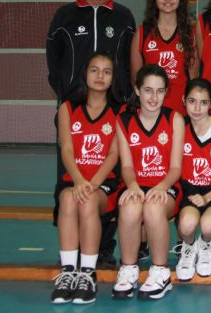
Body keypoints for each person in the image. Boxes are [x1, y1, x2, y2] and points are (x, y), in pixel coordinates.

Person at [47, 0, 135, 266]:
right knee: (69, 182)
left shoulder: (123, 17)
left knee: (110, 180)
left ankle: (104, 249)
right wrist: (68, 94)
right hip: (76, 113)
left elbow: (129, 62)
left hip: (113, 113)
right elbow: (53, 63)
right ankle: (71, 252)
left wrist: (124, 98)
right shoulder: (64, 16)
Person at [50, 52, 121, 304]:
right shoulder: (68, 108)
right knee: (69, 200)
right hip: (73, 178)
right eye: (94, 70)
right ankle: (69, 272)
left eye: (106, 71)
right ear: (85, 73)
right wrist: (79, 180)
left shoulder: (119, 110)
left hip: (104, 183)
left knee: (88, 201)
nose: (100, 76)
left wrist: (92, 184)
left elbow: (114, 153)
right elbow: (66, 149)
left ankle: (88, 274)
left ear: (113, 78)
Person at [112, 64, 185, 300]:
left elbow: (176, 168)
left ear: (166, 92)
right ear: (137, 90)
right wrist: (133, 185)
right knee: (130, 207)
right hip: (136, 183)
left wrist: (161, 187)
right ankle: (129, 269)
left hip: (167, 185)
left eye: (160, 91)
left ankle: (161, 271)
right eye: (148, 90)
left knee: (153, 208)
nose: (154, 97)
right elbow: (126, 166)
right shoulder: (123, 120)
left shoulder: (174, 119)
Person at [175, 78, 211, 281]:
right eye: (192, 101)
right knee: (187, 225)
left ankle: (208, 244)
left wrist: (207, 197)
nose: (197, 108)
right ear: (184, 100)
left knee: (208, 225)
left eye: (203, 102)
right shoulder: (179, 128)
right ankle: (189, 247)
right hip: (189, 193)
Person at [131, 0, 198, 115]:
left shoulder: (190, 33)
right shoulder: (143, 32)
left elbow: (192, 78)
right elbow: (136, 79)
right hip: (150, 111)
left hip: (181, 110)